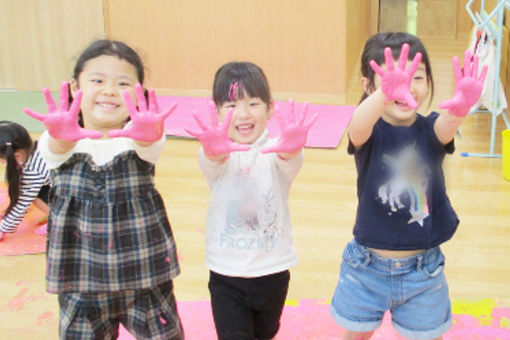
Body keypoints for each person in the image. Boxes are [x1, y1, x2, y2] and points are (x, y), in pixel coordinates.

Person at [329, 32, 487, 340]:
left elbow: (447, 125)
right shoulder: (369, 133)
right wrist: (384, 95)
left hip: (422, 272)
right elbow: (356, 126)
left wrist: (462, 108)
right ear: (368, 86)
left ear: (428, 82)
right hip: (365, 268)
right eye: (391, 78)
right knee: (356, 335)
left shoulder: (430, 130)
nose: (407, 85)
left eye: (417, 76)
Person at [23, 39, 184, 340]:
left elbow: (150, 143)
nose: (109, 90)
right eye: (97, 80)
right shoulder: (61, 141)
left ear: (139, 93)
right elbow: (53, 150)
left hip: (144, 274)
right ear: (74, 87)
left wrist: (151, 131)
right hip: (81, 278)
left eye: (123, 83)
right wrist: (59, 135)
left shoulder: (139, 142)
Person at [185, 61, 317, 340]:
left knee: (265, 333)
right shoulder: (214, 154)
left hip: (273, 271)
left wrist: (292, 147)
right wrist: (213, 151)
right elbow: (212, 160)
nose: (242, 114)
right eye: (231, 105)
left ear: (270, 108)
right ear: (217, 111)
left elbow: (290, 159)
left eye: (253, 103)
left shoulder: (276, 151)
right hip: (226, 274)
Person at [0, 121, 50, 240]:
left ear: (18, 156)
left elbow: (22, 204)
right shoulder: (41, 144)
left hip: (82, 206)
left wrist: (2, 228)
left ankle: (60, 221)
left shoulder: (32, 171)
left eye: (2, 161)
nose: (3, 164)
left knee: (32, 194)